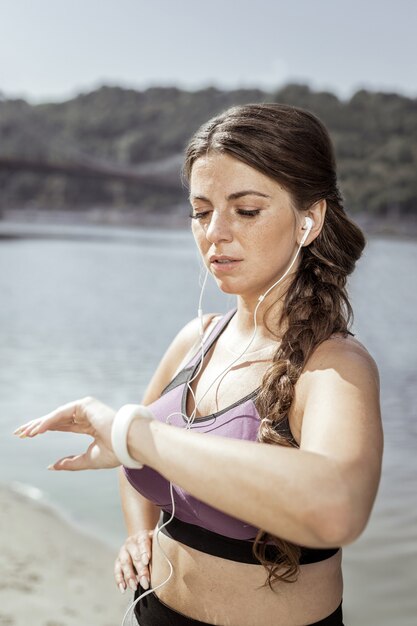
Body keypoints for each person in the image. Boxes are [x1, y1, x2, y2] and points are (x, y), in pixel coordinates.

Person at [14, 103, 383, 626]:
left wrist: (130, 433)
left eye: (246, 210)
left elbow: (337, 507)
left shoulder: (335, 364)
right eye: (202, 211)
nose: (215, 233)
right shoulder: (198, 338)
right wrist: (138, 531)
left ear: (309, 220)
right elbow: (134, 455)